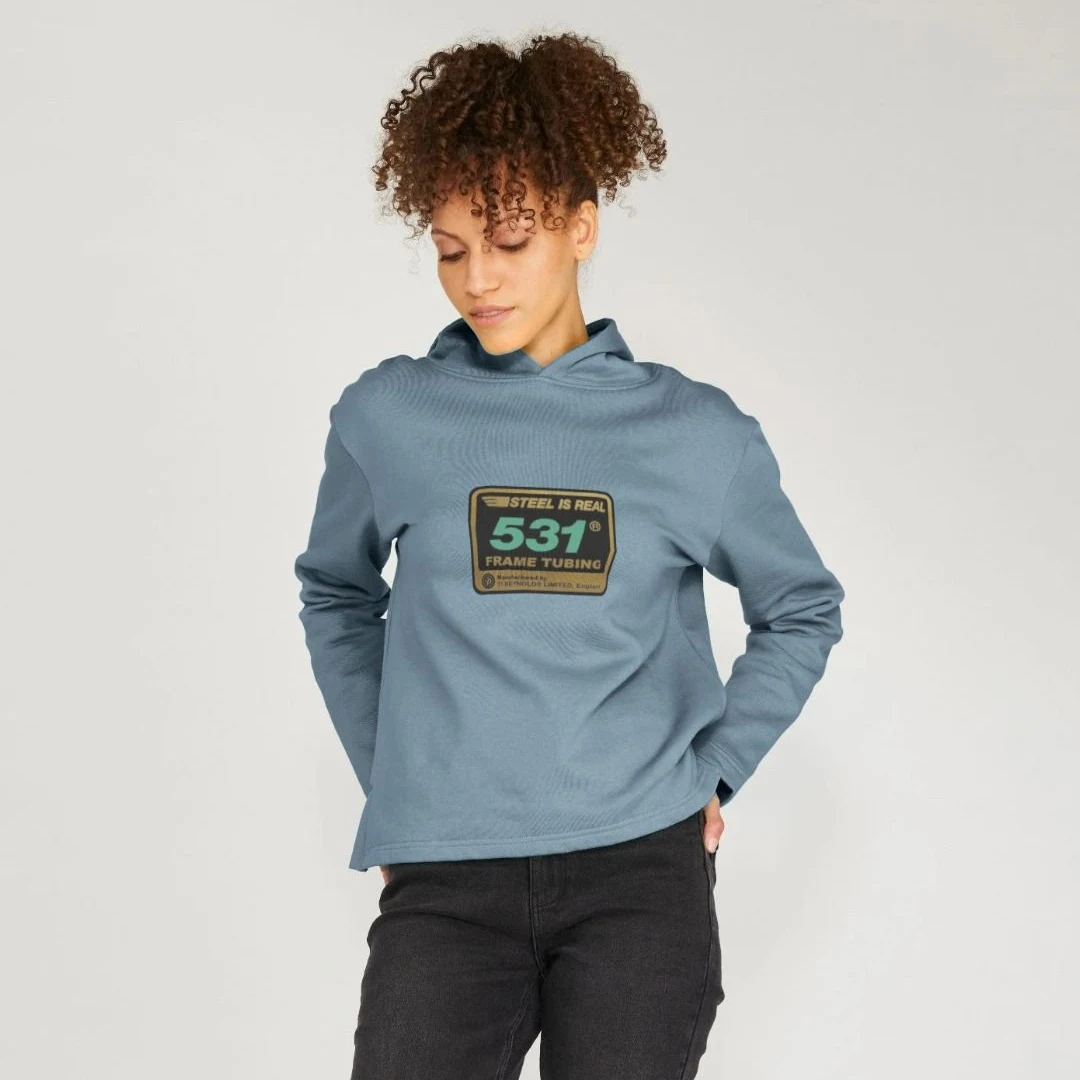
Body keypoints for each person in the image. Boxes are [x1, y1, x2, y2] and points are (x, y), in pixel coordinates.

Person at [293, 30, 844, 1080]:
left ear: (581, 226)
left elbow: (802, 607)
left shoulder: (693, 433)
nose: (478, 279)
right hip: (448, 884)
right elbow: (334, 592)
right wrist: (397, 777)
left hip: (637, 877)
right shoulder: (389, 417)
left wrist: (718, 768)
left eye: (510, 241)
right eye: (450, 249)